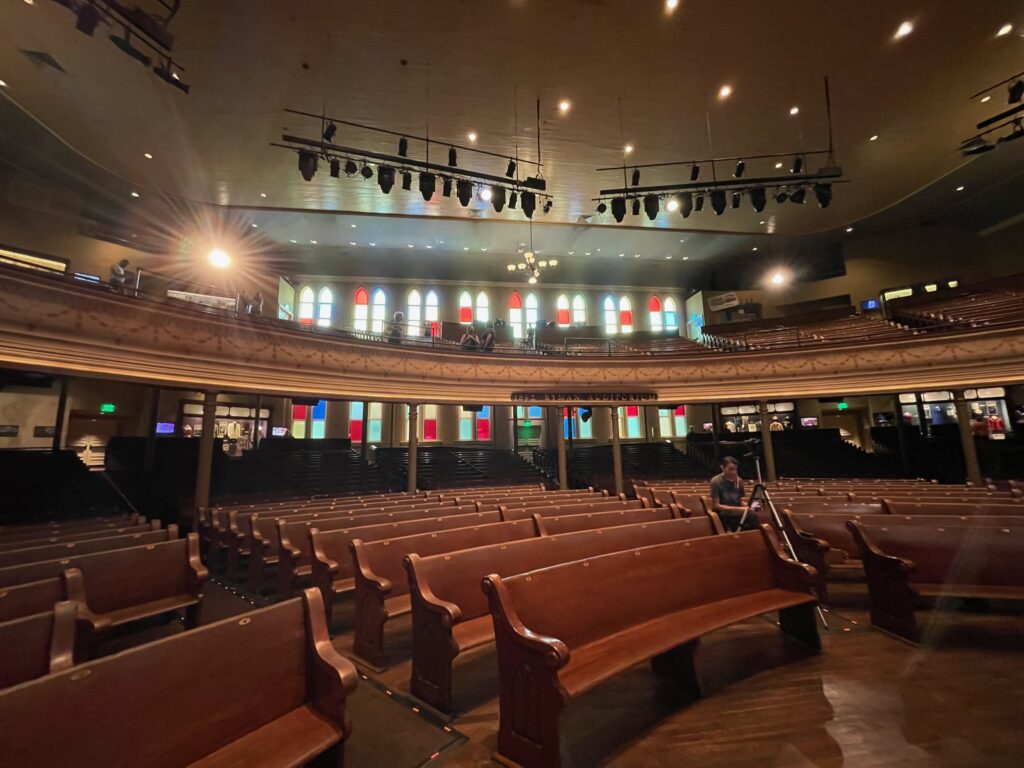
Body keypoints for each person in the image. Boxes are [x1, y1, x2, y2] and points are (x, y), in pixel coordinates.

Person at [709, 456, 760, 531]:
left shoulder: (739, 480)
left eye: (736, 469)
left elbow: (739, 501)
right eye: (731, 469)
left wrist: (750, 506)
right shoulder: (715, 481)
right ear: (722, 468)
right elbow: (716, 506)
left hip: (737, 511)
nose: (734, 472)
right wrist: (741, 509)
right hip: (723, 512)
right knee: (751, 517)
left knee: (752, 516)